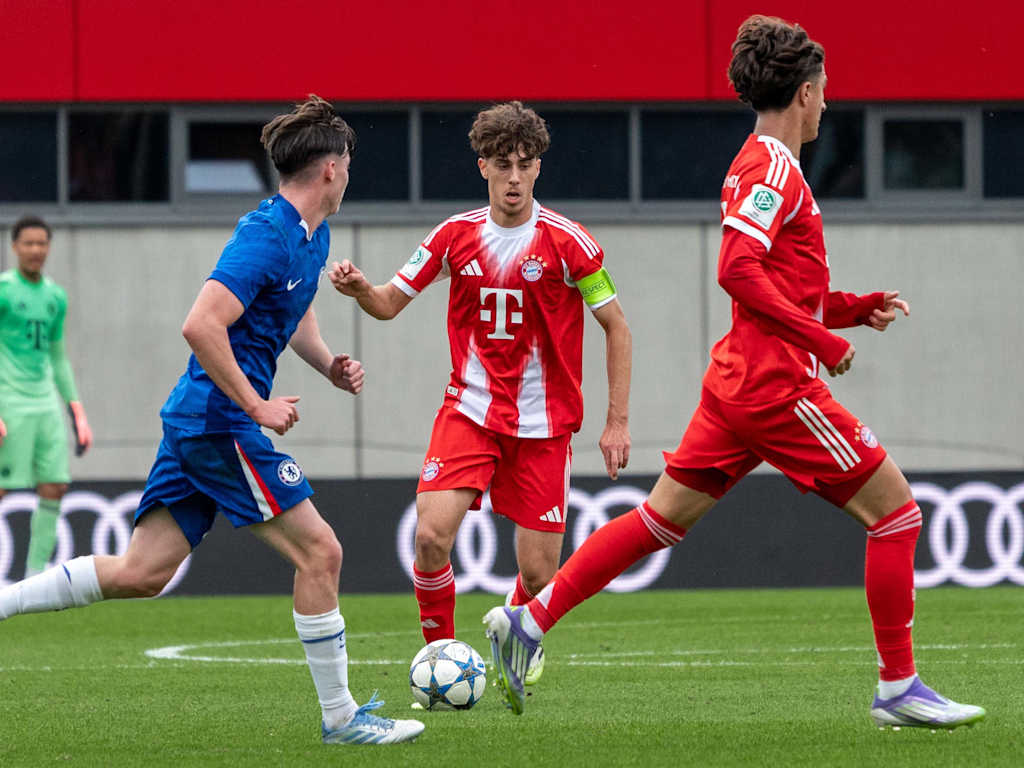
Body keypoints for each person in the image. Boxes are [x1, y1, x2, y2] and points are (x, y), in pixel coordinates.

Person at [483, 16, 986, 731]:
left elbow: (779, 283)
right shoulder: (772, 168)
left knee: (657, 522)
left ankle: (528, 621)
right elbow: (736, 270)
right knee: (897, 514)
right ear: (804, 93)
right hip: (776, 387)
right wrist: (819, 338)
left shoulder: (763, 165)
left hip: (738, 384)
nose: (827, 103)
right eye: (824, 91)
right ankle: (898, 687)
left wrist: (849, 309)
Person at [0, 96, 424, 745]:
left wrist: (328, 366)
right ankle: (342, 719)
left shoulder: (312, 236)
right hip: (220, 422)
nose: (349, 174)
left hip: (198, 421)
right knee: (322, 552)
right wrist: (257, 406)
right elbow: (200, 324)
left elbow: (292, 311)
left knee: (143, 573)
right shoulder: (265, 234)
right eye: (349, 164)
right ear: (331, 169)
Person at [330, 101, 631, 687]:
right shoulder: (454, 236)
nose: (513, 177)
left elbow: (617, 327)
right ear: (483, 167)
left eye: (524, 164)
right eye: (502, 164)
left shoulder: (571, 244)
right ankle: (440, 660)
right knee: (429, 537)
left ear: (538, 167)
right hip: (469, 411)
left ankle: (514, 632)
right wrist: (363, 289)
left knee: (540, 575)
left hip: (544, 425)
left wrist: (616, 421)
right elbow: (389, 303)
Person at [0, 216, 93, 579]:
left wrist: (77, 410)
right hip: (9, 401)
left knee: (55, 485)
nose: (36, 250)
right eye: (29, 243)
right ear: (15, 247)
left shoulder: (56, 297)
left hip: (45, 403)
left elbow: (58, 356)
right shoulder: (4, 291)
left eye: (42, 243)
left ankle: (34, 577)